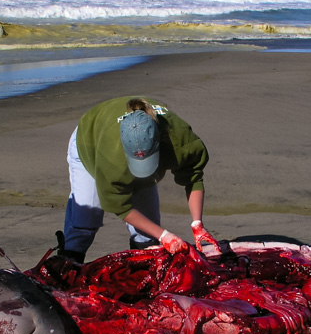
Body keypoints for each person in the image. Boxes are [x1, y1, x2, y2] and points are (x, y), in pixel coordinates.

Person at [59, 96, 218, 263]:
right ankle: (66, 267)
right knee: (85, 223)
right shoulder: (111, 158)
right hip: (89, 141)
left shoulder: (179, 140)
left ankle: (140, 274)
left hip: (139, 148)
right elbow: (120, 206)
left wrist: (197, 224)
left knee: (147, 236)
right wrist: (165, 235)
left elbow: (193, 177)